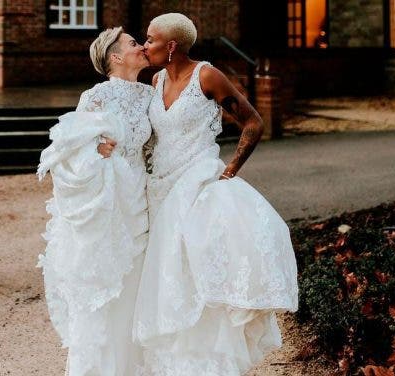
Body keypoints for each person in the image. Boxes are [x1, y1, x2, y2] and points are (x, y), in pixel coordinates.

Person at [133, 13, 299, 375]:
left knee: (199, 274)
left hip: (197, 185)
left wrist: (231, 168)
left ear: (171, 45)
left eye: (150, 39)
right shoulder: (156, 78)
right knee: (169, 277)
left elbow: (254, 122)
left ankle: (211, 364)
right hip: (160, 188)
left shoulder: (207, 75)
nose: (145, 46)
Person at [37, 26, 152, 375]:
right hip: (109, 203)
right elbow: (69, 150)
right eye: (134, 43)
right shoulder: (96, 97)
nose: (142, 46)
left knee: (136, 290)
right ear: (115, 57)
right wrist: (95, 150)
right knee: (107, 289)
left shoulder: (152, 93)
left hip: (142, 198)